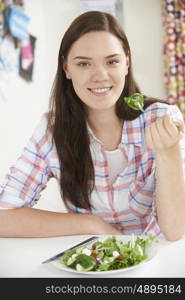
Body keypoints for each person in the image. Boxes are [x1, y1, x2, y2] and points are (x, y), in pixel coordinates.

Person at [0, 11, 185, 241]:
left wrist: (169, 152)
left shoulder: (160, 118)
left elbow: (175, 230)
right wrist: (91, 224)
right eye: (84, 64)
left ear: (126, 62)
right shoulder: (52, 130)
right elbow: (4, 216)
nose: (100, 76)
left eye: (112, 61)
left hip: (156, 264)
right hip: (91, 265)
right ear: (67, 68)